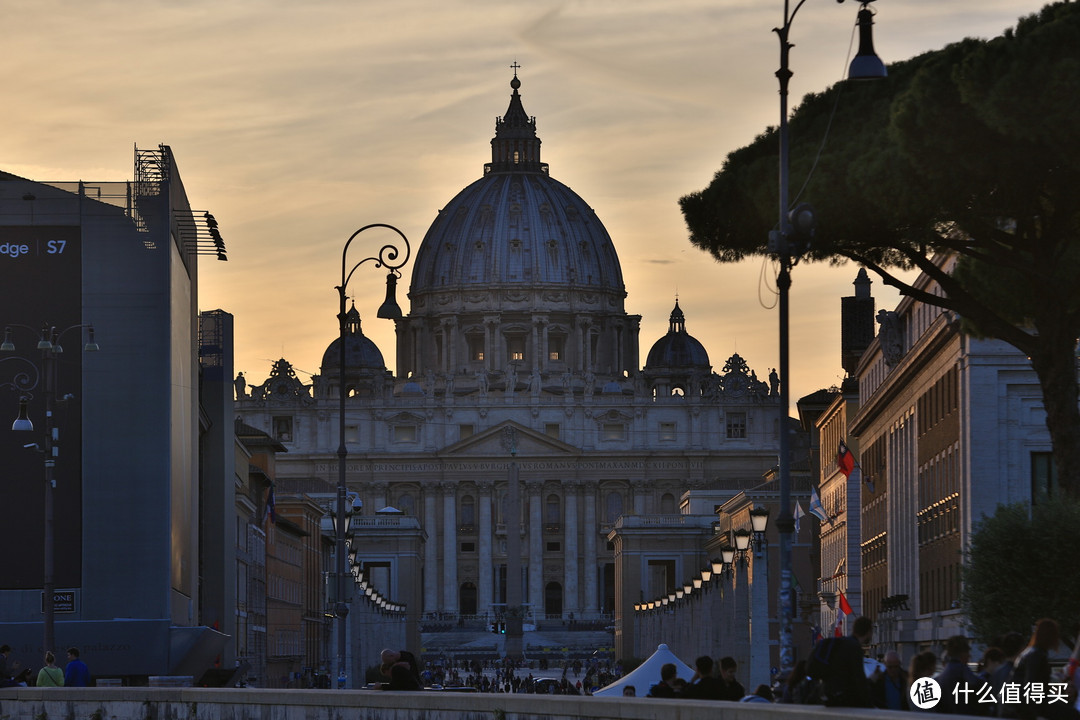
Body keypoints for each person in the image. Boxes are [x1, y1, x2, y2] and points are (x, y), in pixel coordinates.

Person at [1009, 618, 1080, 720]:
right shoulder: (1037, 655)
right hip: (1026, 705)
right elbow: (1031, 686)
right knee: (1073, 714)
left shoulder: (1031, 653)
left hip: (1023, 702)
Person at [818, 615, 875, 708]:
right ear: (868, 632)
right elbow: (858, 679)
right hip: (843, 701)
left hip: (830, 697)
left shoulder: (842, 644)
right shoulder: (854, 648)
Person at [932, 635, 985, 715]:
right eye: (967, 652)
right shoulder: (962, 669)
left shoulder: (941, 676)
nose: (969, 656)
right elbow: (977, 684)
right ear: (962, 653)